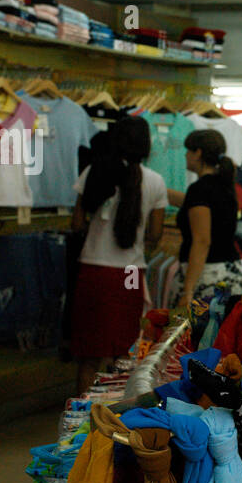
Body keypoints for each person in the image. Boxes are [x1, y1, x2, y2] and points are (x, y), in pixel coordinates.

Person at [70, 115, 167, 394]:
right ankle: (117, 419)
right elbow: (155, 234)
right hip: (130, 274)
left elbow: (76, 223)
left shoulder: (93, 171)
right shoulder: (155, 181)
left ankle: (81, 419)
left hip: (93, 271)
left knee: (89, 355)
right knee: (124, 352)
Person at [167, 128, 242, 321]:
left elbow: (202, 241)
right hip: (230, 272)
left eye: (188, 151)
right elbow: (196, 205)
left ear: (198, 153)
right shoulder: (225, 186)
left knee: (197, 345)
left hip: (207, 278)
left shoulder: (200, 190)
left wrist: (187, 291)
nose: (185, 155)